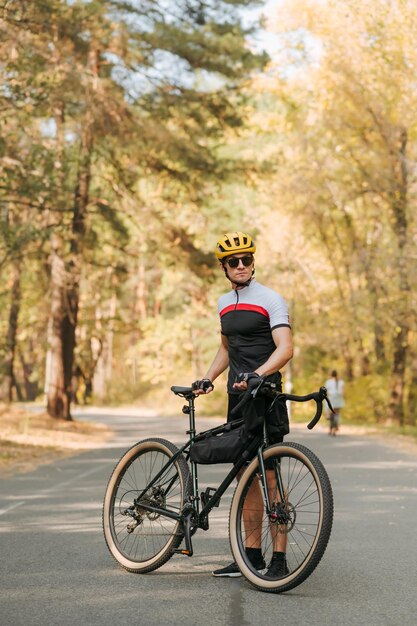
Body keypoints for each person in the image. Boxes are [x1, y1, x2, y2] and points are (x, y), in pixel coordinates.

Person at [192, 231, 293, 579]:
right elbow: (226, 349)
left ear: (253, 262)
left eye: (245, 260)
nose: (240, 265)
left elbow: (285, 348)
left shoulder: (271, 299)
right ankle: (251, 556)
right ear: (223, 266)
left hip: (265, 396)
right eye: (233, 261)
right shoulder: (223, 303)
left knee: (269, 475)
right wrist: (208, 378)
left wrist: (258, 375)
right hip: (236, 400)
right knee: (244, 477)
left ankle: (279, 559)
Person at [325, 370, 345, 436]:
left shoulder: (328, 382)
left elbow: (326, 392)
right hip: (338, 398)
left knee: (331, 414)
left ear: (331, 375)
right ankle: (335, 427)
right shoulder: (341, 382)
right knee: (337, 414)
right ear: (337, 374)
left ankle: (331, 428)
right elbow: (343, 392)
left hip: (331, 398)